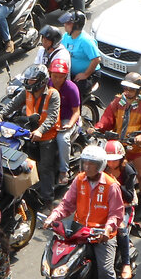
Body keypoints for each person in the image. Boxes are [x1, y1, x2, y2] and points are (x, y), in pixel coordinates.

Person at [40, 144, 124, 279]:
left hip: (102, 235)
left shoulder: (111, 186)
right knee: (56, 255)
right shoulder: (79, 180)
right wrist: (53, 216)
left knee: (105, 270)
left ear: (100, 165)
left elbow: (116, 214)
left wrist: (107, 229)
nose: (86, 167)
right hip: (79, 231)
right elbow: (67, 204)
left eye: (91, 163)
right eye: (84, 162)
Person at [94, 72, 141, 225]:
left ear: (138, 90)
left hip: (137, 148)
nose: (127, 92)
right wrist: (97, 127)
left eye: (131, 90)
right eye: (126, 88)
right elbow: (106, 119)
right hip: (119, 145)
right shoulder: (117, 101)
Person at [0, 64, 58, 202]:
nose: (27, 83)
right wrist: (0, 116)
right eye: (27, 80)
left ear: (41, 81)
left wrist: (40, 131)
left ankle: (48, 199)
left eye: (31, 80)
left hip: (46, 135)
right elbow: (13, 104)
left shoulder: (53, 94)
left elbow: (52, 117)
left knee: (45, 167)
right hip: (27, 131)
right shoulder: (26, 92)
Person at [103, 140, 138, 279]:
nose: (111, 164)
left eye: (114, 161)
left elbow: (129, 196)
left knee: (121, 229)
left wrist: (116, 184)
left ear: (121, 159)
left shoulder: (128, 171)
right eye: (108, 161)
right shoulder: (102, 168)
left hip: (125, 206)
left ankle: (126, 263)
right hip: (104, 204)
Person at [49, 58, 81, 192]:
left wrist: (69, 124)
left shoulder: (71, 88)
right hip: (50, 118)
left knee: (62, 139)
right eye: (54, 76)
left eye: (60, 77)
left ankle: (63, 171)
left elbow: (76, 112)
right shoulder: (47, 84)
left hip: (66, 119)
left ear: (65, 76)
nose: (56, 79)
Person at [59, 10, 100, 82]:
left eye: (68, 23)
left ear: (76, 26)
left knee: (79, 88)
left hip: (89, 74)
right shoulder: (66, 36)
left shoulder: (86, 41)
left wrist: (85, 74)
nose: (65, 25)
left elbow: (96, 59)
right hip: (70, 73)